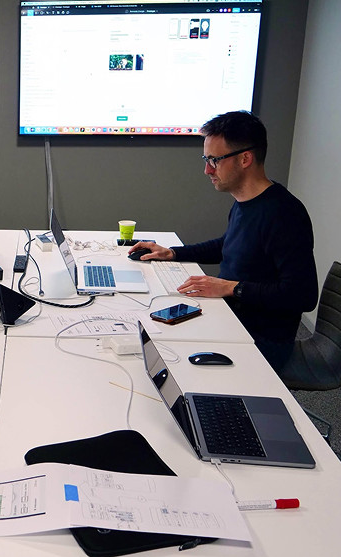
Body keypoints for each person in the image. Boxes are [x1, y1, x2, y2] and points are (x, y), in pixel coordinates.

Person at [129, 111, 318, 373]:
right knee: (144, 330)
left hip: (260, 340)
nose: (207, 170)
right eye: (206, 159)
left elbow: (302, 295)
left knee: (163, 355)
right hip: (228, 316)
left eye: (214, 160)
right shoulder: (245, 202)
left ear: (245, 159)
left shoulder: (284, 214)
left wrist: (231, 288)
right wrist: (172, 253)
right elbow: (229, 245)